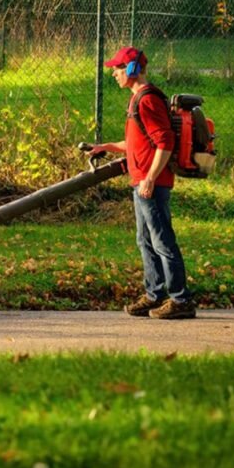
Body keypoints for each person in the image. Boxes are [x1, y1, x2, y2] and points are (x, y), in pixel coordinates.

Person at [89, 46, 196, 319]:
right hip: (142, 182)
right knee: (145, 240)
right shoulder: (138, 99)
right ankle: (154, 294)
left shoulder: (147, 100)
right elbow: (139, 141)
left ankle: (180, 300)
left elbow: (165, 143)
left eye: (118, 68)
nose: (114, 73)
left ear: (133, 69)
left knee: (162, 241)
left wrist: (149, 178)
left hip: (152, 184)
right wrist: (107, 147)